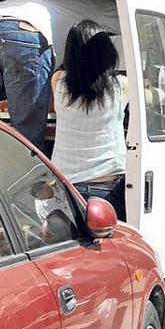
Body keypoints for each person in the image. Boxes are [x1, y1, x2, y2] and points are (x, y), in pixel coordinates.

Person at [0, 0, 113, 148]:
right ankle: (23, 169)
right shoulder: (100, 4)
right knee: (26, 129)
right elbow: (128, 23)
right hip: (26, 32)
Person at [51, 20, 128, 220]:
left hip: (66, 187)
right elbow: (158, 96)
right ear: (107, 52)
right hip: (107, 188)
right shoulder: (122, 87)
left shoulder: (58, 81)